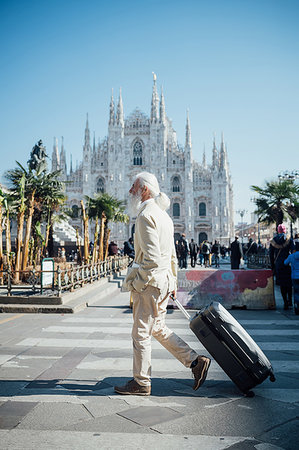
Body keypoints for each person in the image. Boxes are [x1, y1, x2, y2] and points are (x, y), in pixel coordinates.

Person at [114, 172, 210, 396]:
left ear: (144, 190)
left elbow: (153, 259)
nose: (130, 191)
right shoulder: (164, 216)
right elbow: (172, 256)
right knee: (157, 328)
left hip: (151, 284)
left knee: (140, 333)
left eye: (133, 187)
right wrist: (173, 280)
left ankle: (141, 382)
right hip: (164, 281)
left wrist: (139, 282)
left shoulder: (146, 215)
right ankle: (196, 362)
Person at [270, 224, 293, 310]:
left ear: (278, 230)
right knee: (289, 284)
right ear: (285, 230)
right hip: (288, 264)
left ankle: (285, 302)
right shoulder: (289, 239)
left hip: (278, 265)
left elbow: (271, 255)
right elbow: (293, 251)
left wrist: (272, 267)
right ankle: (290, 300)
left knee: (282, 285)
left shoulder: (274, 240)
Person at [284, 247, 299, 315]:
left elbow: (285, 263)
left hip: (294, 276)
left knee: (296, 292)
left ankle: (297, 307)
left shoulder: (291, 256)